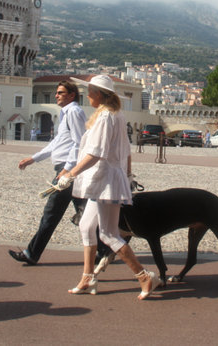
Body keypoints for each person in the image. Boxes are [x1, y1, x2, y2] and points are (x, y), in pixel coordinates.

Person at [58, 75, 159, 300]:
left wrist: (70, 174)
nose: (88, 95)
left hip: (105, 181)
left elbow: (95, 154)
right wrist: (128, 174)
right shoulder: (116, 115)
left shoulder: (106, 117)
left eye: (91, 91)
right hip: (106, 180)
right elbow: (126, 150)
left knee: (108, 233)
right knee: (86, 226)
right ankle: (88, 277)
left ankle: (145, 276)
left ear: (101, 95)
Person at [9, 80, 89, 265]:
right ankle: (107, 247)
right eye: (57, 92)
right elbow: (58, 143)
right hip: (66, 169)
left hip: (66, 171)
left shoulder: (74, 112)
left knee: (51, 213)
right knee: (84, 214)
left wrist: (67, 170)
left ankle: (32, 253)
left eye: (60, 92)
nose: (56, 95)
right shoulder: (66, 113)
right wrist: (33, 159)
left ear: (71, 95)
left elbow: (79, 143)